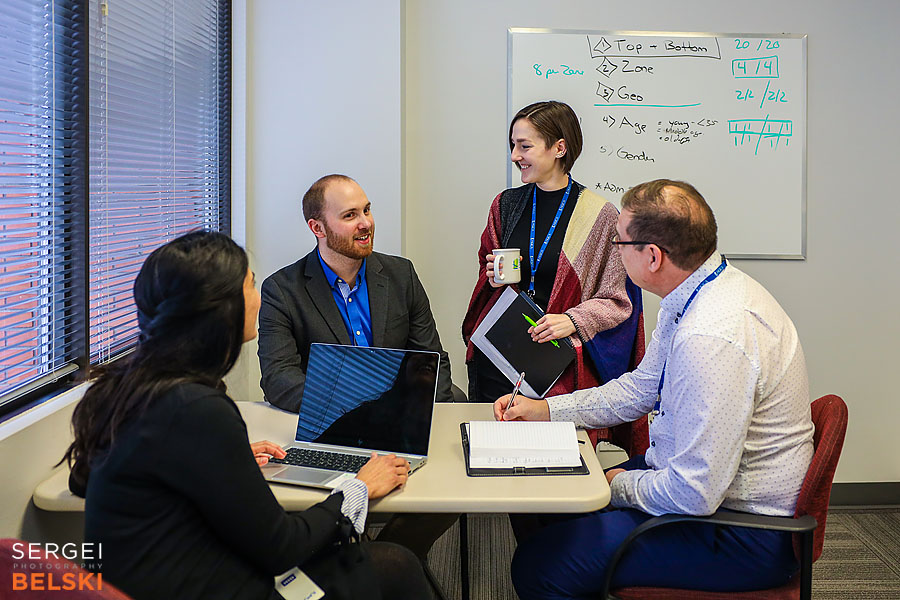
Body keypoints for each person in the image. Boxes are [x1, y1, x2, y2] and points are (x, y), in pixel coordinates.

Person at [63, 231, 432, 600]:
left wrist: (218, 464)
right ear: (221, 309)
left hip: (157, 578)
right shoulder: (199, 409)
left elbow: (84, 481)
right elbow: (281, 549)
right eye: (251, 285)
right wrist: (359, 487)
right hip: (206, 584)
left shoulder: (126, 386)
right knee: (395, 566)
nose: (257, 299)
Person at [495, 179, 816, 597]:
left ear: (652, 256)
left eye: (619, 243)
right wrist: (546, 411)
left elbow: (694, 494)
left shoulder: (712, 336)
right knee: (556, 506)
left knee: (542, 565)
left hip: (743, 533)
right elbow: (641, 388)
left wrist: (614, 484)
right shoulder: (695, 291)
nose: (616, 251)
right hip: (701, 495)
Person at [462, 100, 646, 453]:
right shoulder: (505, 205)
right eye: (513, 146)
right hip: (501, 353)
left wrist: (572, 319)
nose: (515, 155)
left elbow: (618, 300)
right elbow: (488, 277)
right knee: (495, 459)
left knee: (553, 472)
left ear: (559, 147)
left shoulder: (600, 216)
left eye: (525, 146)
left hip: (556, 366)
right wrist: (493, 276)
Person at [258, 173, 452, 412]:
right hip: (332, 420)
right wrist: (354, 410)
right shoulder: (282, 291)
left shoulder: (402, 275)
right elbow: (279, 378)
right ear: (317, 228)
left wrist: (434, 417)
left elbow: (431, 359)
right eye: (350, 215)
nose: (366, 223)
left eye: (367, 210)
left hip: (403, 415)